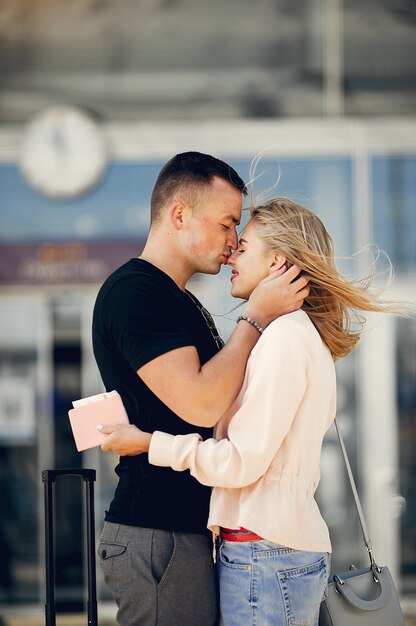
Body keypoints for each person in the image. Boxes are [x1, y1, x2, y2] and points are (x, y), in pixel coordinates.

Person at [99, 197, 403, 626]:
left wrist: (149, 444)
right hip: (270, 550)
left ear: (277, 262)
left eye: (243, 246)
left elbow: (240, 462)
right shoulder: (290, 335)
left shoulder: (282, 338)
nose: (231, 257)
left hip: (264, 552)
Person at [92, 154, 309, 626]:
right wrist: (256, 316)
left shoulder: (177, 298)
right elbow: (202, 403)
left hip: (182, 531)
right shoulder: (136, 294)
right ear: (179, 215)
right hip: (156, 532)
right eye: (228, 223)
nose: (233, 243)